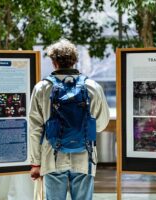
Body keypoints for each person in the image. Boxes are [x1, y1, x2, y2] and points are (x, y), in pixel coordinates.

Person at [29, 39, 109, 200]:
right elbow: (101, 124)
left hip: (52, 156)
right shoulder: (93, 86)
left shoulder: (42, 88)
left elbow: (35, 128)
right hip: (84, 156)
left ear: (53, 62)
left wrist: (35, 163)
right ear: (75, 61)